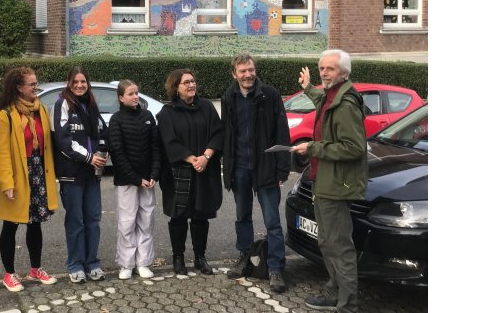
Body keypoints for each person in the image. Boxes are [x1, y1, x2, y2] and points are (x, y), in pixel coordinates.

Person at [289, 49, 368, 313]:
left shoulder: (346, 104)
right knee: (326, 242)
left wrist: (313, 148)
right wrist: (308, 87)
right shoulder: (333, 96)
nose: (324, 73)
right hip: (323, 181)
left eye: (330, 69)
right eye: (322, 68)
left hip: (336, 185)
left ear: (343, 73)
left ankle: (347, 305)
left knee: (340, 247)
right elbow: (323, 101)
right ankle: (334, 293)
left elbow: (353, 148)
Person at [220, 53, 291, 293]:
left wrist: (283, 167)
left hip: (266, 167)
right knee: (242, 217)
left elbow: (282, 131)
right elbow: (227, 136)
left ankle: (275, 268)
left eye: (251, 70)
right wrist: (227, 169)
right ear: (234, 74)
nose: (248, 75)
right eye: (243, 71)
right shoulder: (228, 97)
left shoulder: (269, 95)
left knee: (272, 221)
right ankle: (245, 258)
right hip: (239, 167)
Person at [0, 67, 60, 292]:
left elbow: (47, 146)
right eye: (31, 85)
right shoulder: (6, 116)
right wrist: (7, 184)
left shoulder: (41, 110)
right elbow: (1, 153)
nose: (35, 88)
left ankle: (35, 268)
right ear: (19, 88)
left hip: (37, 172)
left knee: (35, 223)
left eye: (35, 83)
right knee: (10, 225)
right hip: (17, 174)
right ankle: (9, 274)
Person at [156, 69, 224, 275]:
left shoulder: (207, 107)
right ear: (175, 87)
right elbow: (167, 140)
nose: (191, 85)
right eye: (185, 82)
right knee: (178, 217)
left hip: (204, 169)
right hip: (179, 172)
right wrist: (190, 158)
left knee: (200, 216)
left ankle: (200, 257)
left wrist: (206, 157)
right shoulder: (167, 112)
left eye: (192, 81)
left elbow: (218, 133)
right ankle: (178, 258)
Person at [52, 66, 110, 283]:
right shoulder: (62, 104)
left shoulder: (91, 104)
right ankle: (75, 265)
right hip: (72, 174)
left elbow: (103, 132)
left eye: (83, 81)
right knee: (76, 221)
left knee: (93, 220)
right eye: (75, 81)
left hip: (92, 175)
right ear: (69, 83)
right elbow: (64, 141)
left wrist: (102, 152)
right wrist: (89, 157)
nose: (79, 85)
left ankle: (92, 263)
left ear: (88, 83)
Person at [107, 80, 161, 280]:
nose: (135, 96)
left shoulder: (148, 117)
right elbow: (118, 153)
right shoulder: (116, 119)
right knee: (127, 222)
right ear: (121, 98)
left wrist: (154, 174)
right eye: (131, 94)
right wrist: (136, 179)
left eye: (137, 93)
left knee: (146, 221)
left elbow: (156, 148)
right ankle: (127, 264)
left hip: (148, 181)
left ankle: (144, 263)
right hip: (127, 181)